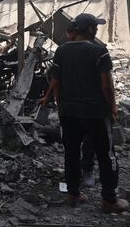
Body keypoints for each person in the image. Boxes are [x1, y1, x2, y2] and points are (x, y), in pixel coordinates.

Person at [52, 13, 127, 213]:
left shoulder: (61, 51)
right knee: (106, 155)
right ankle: (109, 200)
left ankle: (73, 194)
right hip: (94, 112)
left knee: (71, 153)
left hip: (68, 111)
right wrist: (112, 107)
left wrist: (61, 105)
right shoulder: (99, 51)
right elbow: (107, 86)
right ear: (91, 29)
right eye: (96, 27)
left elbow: (56, 82)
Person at [39, 24, 96, 187]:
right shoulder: (63, 51)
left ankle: (87, 170)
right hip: (69, 105)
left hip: (87, 105)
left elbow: (103, 82)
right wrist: (53, 100)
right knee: (72, 144)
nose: (70, 39)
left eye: (71, 35)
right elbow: (56, 80)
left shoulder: (93, 51)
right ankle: (75, 177)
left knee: (88, 141)